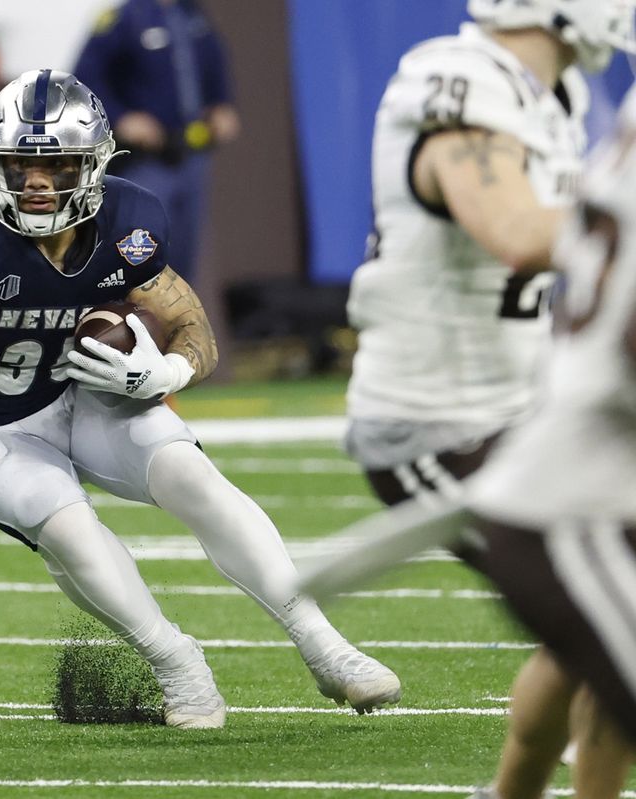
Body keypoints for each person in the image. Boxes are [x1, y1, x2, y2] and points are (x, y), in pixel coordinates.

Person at [0, 69, 400, 730]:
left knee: (189, 472)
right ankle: (178, 662)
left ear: (93, 164)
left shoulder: (130, 219)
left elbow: (193, 327)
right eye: (17, 164)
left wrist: (164, 374)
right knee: (61, 519)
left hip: (81, 395)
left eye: (56, 163)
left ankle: (324, 643)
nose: (35, 182)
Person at [342, 0, 634, 794]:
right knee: (610, 625)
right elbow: (512, 228)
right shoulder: (456, 83)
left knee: (593, 628)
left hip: (530, 414)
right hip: (438, 420)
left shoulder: (556, 96)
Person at [73, 0, 240, 285]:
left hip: (190, 155)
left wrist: (222, 104)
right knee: (139, 253)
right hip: (144, 162)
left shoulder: (192, 15)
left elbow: (214, 63)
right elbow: (85, 80)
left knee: (183, 255)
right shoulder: (122, 19)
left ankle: (177, 324)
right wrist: (122, 118)